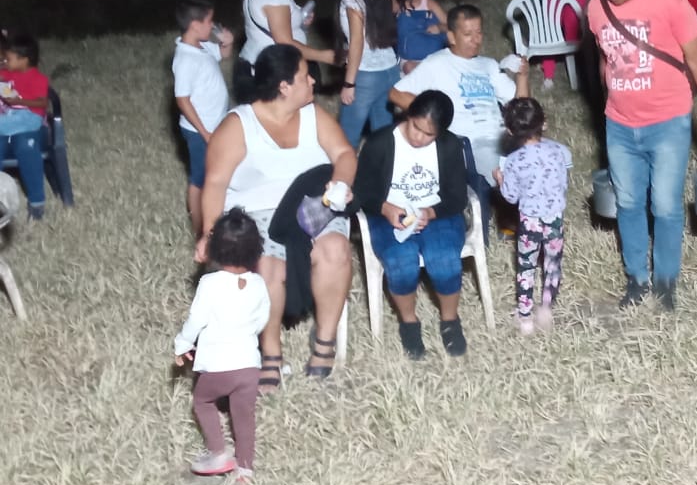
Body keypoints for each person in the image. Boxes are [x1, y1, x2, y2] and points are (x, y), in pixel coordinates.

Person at [196, 44, 356, 389]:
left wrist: (340, 183)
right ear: (284, 86)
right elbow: (216, 183)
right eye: (305, 76)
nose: (312, 81)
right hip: (258, 213)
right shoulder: (238, 125)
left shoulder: (313, 116)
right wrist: (209, 233)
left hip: (313, 206)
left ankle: (324, 342)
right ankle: (271, 352)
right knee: (268, 268)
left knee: (335, 252)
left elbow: (344, 153)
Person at [586, 0, 697, 310]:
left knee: (665, 206)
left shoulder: (670, 1)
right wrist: (609, 99)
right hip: (619, 125)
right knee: (629, 203)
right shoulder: (596, 9)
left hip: (668, 122)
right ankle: (637, 279)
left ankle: (666, 282)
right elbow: (605, 57)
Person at [350, 91, 469, 359]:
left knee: (444, 260)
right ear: (408, 115)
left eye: (429, 135)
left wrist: (431, 212)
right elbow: (362, 192)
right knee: (401, 263)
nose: (419, 137)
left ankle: (450, 320)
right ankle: (409, 322)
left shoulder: (449, 146)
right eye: (416, 127)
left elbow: (457, 197)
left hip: (437, 213)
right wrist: (385, 208)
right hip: (388, 213)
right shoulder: (380, 143)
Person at [174, 208, 270, 485]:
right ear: (256, 250)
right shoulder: (258, 284)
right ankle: (245, 470)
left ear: (215, 249)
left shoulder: (209, 283)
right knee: (244, 416)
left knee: (202, 401)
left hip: (218, 366)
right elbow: (262, 319)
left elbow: (196, 320)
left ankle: (218, 453)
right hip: (249, 366)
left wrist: (182, 343)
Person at [390, 4, 529, 187]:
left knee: (540, 152)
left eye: (479, 32)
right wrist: (433, 114)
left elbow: (522, 109)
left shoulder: (489, 65)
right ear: (452, 37)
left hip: (502, 135)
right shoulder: (437, 63)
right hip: (470, 143)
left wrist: (522, 76)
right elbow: (395, 93)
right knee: (507, 171)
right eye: (468, 34)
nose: (476, 40)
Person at [493, 98, 571, 335]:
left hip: (530, 221)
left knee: (526, 266)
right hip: (554, 217)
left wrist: (500, 180)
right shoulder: (559, 151)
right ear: (543, 123)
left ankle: (525, 317)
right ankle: (546, 307)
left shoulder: (514, 161)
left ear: (510, 130)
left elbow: (511, 197)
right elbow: (563, 182)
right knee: (552, 263)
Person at [321, 0, 399, 149]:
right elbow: (394, 10)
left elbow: (357, 41)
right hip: (390, 69)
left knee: (346, 140)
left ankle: (347, 171)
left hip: (366, 75)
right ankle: (383, 169)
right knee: (383, 137)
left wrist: (349, 83)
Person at [236, 0, 335, 103]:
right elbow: (285, 43)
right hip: (274, 73)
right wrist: (325, 56)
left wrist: (299, 20)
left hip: (260, 64)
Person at [172, 0, 234, 238]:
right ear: (195, 25)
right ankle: (199, 229)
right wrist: (204, 132)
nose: (213, 26)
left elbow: (223, 55)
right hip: (200, 130)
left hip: (215, 124)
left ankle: (216, 214)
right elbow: (182, 99)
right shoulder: (185, 59)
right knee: (199, 179)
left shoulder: (202, 46)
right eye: (210, 22)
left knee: (215, 172)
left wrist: (227, 43)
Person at [0, 32, 50, 220]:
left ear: (24, 60)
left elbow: (42, 102)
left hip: (29, 119)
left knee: (26, 149)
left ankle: (37, 204)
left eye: (9, 59)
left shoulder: (38, 78)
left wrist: (19, 101)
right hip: (11, 122)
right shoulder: (8, 74)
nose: (5, 61)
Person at [390, 0, 448, 75]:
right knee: (410, 68)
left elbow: (452, 25)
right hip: (409, 60)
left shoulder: (430, 4)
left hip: (434, 57)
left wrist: (439, 27)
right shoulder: (398, 5)